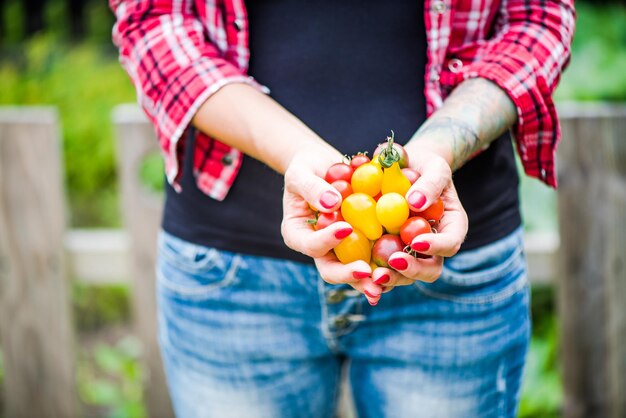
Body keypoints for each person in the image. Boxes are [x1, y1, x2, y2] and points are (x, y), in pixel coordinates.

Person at [110, 1, 575, 417]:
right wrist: (296, 153)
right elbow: (152, 20)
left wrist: (441, 146)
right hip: (230, 271)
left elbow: (537, 19)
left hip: (451, 270)